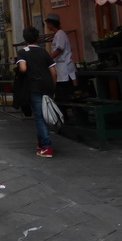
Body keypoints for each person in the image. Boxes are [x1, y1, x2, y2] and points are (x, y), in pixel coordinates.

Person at [16, 26, 56, 158]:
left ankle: (46, 146)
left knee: (39, 116)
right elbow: (53, 71)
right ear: (38, 38)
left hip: (34, 85)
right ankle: (41, 141)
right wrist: (53, 86)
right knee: (44, 113)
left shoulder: (23, 52)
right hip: (47, 85)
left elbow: (22, 68)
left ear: (25, 39)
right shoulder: (44, 52)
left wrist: (22, 70)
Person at [45, 14, 77, 104]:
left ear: (52, 24)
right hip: (60, 67)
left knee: (64, 92)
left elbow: (59, 50)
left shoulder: (60, 34)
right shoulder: (57, 34)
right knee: (61, 92)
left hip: (64, 67)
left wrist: (48, 58)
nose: (47, 26)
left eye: (48, 23)